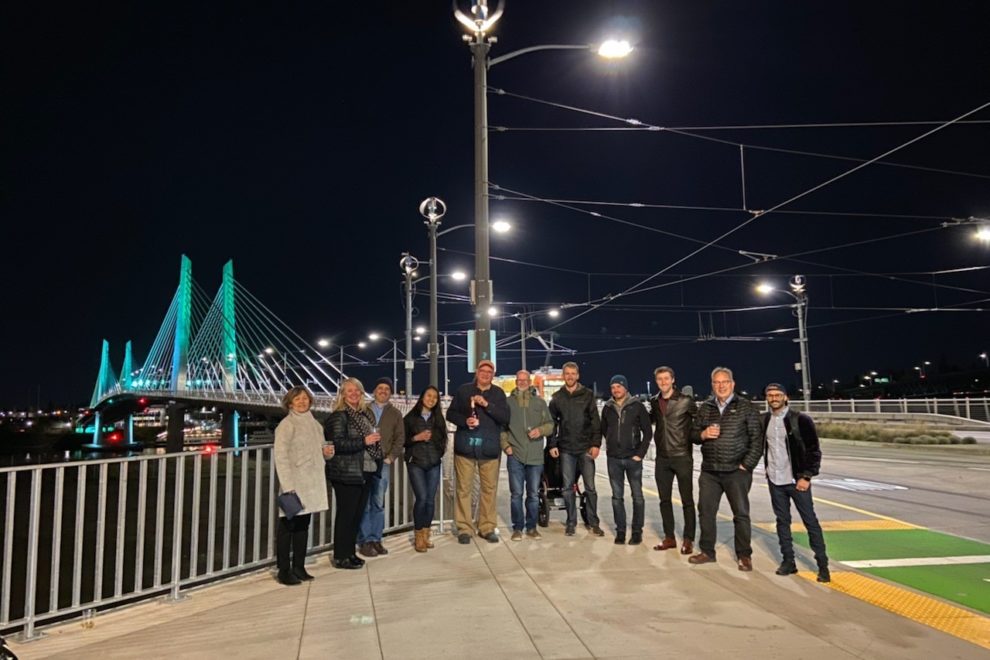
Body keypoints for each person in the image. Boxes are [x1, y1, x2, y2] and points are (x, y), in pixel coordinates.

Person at [688, 367, 763, 571]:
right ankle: (707, 551)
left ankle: (744, 555)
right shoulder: (706, 407)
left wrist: (746, 466)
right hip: (710, 471)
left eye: (725, 382)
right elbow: (693, 434)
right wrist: (703, 434)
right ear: (712, 385)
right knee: (706, 512)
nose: (721, 386)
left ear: (732, 384)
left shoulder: (746, 407)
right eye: (716, 383)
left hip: (735, 472)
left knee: (740, 514)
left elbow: (757, 440)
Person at [762, 383, 830, 582]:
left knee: (810, 522)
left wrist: (807, 476)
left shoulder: (800, 420)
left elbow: (814, 450)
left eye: (777, 395)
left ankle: (823, 565)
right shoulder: (764, 420)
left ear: (785, 397)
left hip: (797, 480)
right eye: (770, 395)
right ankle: (788, 562)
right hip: (775, 480)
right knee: (782, 522)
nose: (774, 398)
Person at [446, 360, 510, 544]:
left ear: (493, 375)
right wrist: (465, 421)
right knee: (463, 489)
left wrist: (487, 405)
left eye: (489, 372)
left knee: (489, 489)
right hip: (465, 447)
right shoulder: (464, 390)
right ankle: (464, 528)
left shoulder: (498, 394)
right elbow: (451, 414)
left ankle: (487, 527)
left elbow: (505, 418)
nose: (485, 374)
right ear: (477, 372)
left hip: (489, 449)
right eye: (483, 371)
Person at [273, 386, 331, 585]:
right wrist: (288, 486)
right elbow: (280, 457)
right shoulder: (286, 425)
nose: (302, 402)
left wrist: (327, 453)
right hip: (294, 484)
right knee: (287, 527)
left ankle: (299, 566)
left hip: (311, 483)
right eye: (297, 399)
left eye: (305, 398)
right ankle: (283, 570)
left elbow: (322, 449)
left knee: (303, 526)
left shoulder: (315, 424)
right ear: (290, 403)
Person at [324, 377, 381, 569]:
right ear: (342, 395)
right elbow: (337, 444)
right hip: (346, 473)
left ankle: (350, 553)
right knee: (346, 516)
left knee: (356, 515)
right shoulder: (338, 416)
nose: (354, 394)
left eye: (357, 390)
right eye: (350, 391)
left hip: (365, 471)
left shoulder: (364, 415)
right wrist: (364, 441)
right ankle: (341, 556)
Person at [548, 361, 604, 537]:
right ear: (563, 376)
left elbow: (596, 422)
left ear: (578, 375)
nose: (570, 376)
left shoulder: (587, 395)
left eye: (573, 373)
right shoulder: (557, 397)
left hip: (585, 449)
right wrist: (552, 444)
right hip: (566, 449)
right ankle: (571, 522)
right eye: (567, 373)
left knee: (591, 487)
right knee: (567, 487)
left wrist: (596, 444)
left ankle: (593, 522)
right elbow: (552, 424)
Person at [649, 366, 697, 555]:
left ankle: (688, 539)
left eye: (666, 379)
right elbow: (652, 422)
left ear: (673, 380)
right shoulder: (654, 402)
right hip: (662, 458)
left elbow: (699, 421)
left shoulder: (685, 401)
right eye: (660, 379)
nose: (663, 382)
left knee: (687, 500)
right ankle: (669, 537)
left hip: (682, 456)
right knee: (664, 500)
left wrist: (694, 437)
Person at [501, 370, 554, 541]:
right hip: (514, 455)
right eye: (519, 380)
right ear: (516, 382)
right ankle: (517, 527)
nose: (522, 382)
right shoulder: (508, 403)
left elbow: (550, 425)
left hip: (535, 456)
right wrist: (505, 446)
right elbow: (502, 427)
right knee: (516, 494)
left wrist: (540, 430)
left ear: (529, 382)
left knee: (532, 494)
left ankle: (531, 527)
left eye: (525, 380)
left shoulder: (539, 403)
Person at [600, 375, 652, 545]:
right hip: (614, 459)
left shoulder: (637, 406)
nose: (616, 390)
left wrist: (640, 453)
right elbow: (603, 430)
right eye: (613, 387)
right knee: (617, 497)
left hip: (633, 458)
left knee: (637, 496)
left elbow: (647, 432)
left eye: (619, 386)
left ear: (625, 388)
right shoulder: (607, 408)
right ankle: (620, 531)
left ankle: (637, 531)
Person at [357, 377, 405, 558]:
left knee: (378, 503)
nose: (383, 391)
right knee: (365, 503)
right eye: (380, 388)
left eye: (387, 389)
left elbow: (400, 437)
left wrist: (391, 457)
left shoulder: (395, 413)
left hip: (382, 462)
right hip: (364, 460)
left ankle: (376, 538)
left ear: (390, 393)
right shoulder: (363, 409)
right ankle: (364, 541)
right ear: (374, 391)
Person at [404, 385, 448, 552]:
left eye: (435, 397)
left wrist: (438, 454)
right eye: (429, 396)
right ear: (422, 397)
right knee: (421, 498)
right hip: (416, 462)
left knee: (430, 500)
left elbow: (443, 439)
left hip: (433, 463)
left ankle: (426, 534)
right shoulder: (410, 418)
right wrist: (417, 437)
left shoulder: (438, 419)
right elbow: (403, 440)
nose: (431, 399)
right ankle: (418, 536)